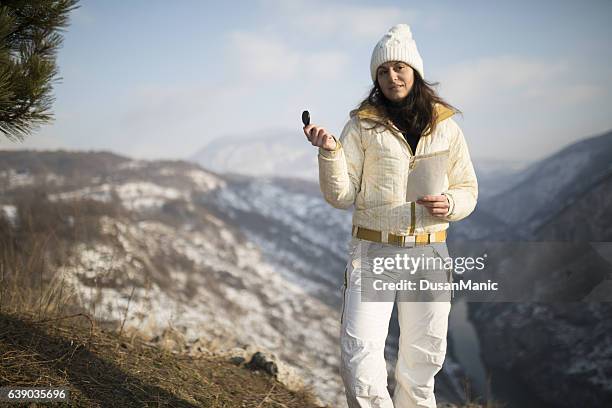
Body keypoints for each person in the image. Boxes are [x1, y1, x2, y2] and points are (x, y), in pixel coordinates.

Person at [302, 24, 478, 407]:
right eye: (382, 71)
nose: (391, 76)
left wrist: (451, 203)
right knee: (360, 357)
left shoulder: (445, 127)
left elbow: (468, 189)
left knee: (422, 361)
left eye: (398, 67)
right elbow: (341, 195)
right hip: (373, 253)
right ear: (375, 79)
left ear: (414, 72)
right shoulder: (362, 125)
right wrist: (330, 153)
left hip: (429, 254)